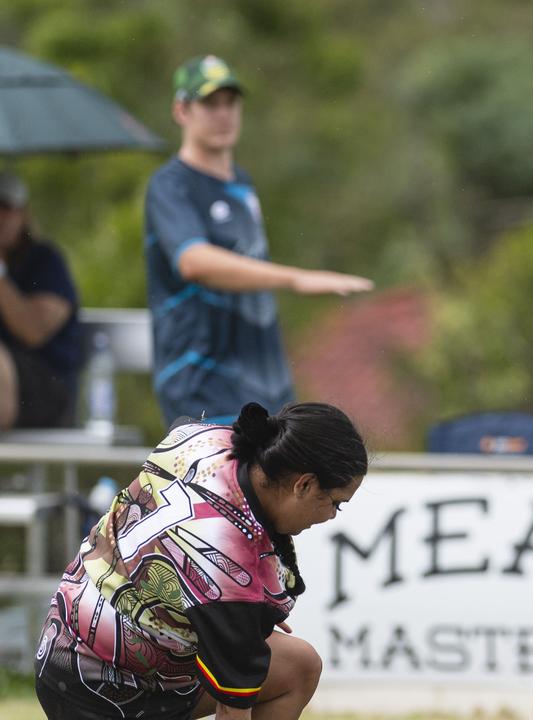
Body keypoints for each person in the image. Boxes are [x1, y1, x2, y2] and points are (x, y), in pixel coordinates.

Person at [34, 401, 368, 719]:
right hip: (102, 693)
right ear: (304, 484)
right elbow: (233, 710)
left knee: (298, 664)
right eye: (336, 503)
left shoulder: (208, 441)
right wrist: (235, 613)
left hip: (65, 642)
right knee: (246, 682)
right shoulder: (229, 575)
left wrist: (234, 609)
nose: (331, 517)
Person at [145, 55, 373, 425]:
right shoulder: (171, 185)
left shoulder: (242, 185)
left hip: (266, 389)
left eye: (230, 102)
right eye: (209, 104)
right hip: (203, 388)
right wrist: (296, 278)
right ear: (182, 110)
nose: (223, 114)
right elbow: (194, 261)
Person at [0, 171, 83, 430]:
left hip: (47, 389)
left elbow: (33, 331)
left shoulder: (45, 262)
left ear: (23, 214)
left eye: (5, 208)